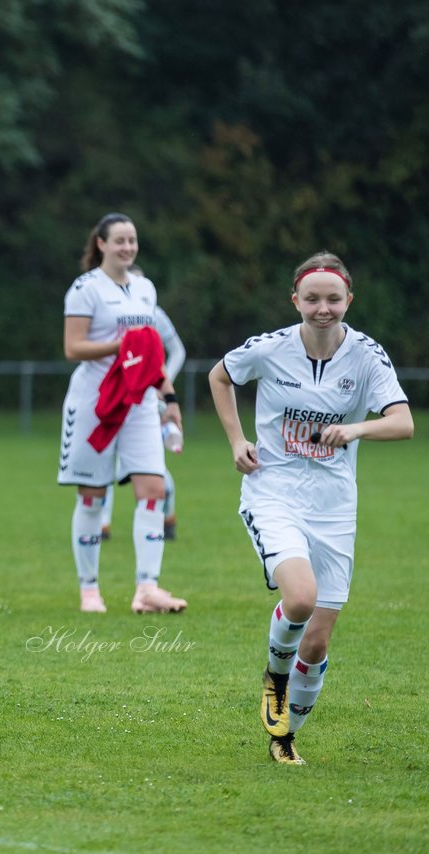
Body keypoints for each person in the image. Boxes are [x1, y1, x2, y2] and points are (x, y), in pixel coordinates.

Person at [209, 251, 412, 765]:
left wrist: (357, 427)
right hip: (273, 489)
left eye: (334, 299)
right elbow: (220, 375)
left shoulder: (367, 355)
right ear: (295, 300)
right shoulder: (271, 347)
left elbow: (403, 422)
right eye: (313, 298)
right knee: (299, 598)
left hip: (335, 506)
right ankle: (275, 675)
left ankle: (284, 738)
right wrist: (237, 441)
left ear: (349, 301)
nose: (324, 308)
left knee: (317, 645)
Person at [58, 213, 187, 614]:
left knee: (154, 489)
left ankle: (147, 589)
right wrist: (120, 345)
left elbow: (152, 353)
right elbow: (73, 348)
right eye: (119, 241)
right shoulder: (85, 289)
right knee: (93, 495)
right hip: (96, 403)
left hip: (141, 404)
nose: (127, 247)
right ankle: (89, 589)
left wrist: (169, 399)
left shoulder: (145, 288)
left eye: (132, 240)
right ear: (101, 244)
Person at [101, 268, 186, 542]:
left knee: (151, 463)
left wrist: (162, 384)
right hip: (113, 397)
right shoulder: (105, 308)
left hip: (147, 400)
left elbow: (178, 351)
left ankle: (167, 514)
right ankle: (102, 526)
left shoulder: (153, 312)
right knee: (106, 459)